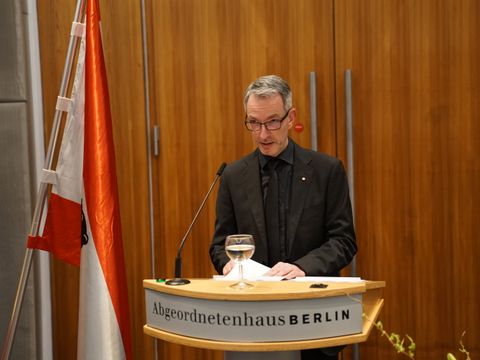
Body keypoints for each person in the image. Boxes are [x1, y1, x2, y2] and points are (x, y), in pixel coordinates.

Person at [209, 75, 357, 360]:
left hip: (313, 321)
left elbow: (344, 241)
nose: (263, 134)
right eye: (254, 123)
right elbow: (219, 245)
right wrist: (228, 263)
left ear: (291, 117)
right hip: (251, 322)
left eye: (272, 122)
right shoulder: (233, 176)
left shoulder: (326, 171)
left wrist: (301, 267)